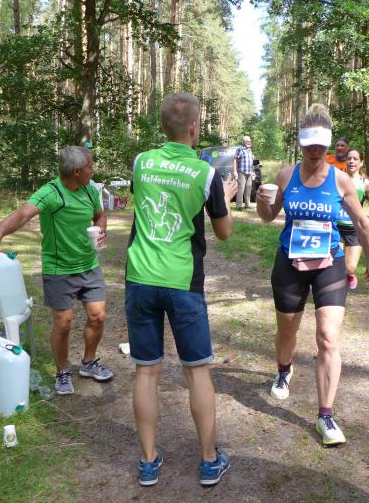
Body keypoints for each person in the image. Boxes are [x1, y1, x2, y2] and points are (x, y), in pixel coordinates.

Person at [126, 92, 238, 487]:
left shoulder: (141, 162)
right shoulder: (205, 174)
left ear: (162, 126)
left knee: (146, 372)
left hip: (140, 277)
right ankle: (208, 461)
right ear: (194, 127)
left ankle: (147, 462)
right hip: (183, 282)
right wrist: (226, 198)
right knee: (197, 371)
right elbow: (223, 233)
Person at [256, 103, 369, 445]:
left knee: (327, 337)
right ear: (301, 141)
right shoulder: (286, 175)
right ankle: (284, 371)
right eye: (309, 143)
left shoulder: (341, 180)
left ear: (327, 143)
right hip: (290, 263)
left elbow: (362, 222)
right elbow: (268, 216)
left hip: (330, 263)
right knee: (287, 331)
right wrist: (261, 200)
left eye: (320, 144)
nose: (314, 150)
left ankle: (326, 415)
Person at [0, 145, 113, 396]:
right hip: (59, 268)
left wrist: (101, 229)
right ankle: (62, 371)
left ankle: (88, 362)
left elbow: (99, 215)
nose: (92, 170)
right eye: (90, 166)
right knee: (63, 323)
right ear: (77, 171)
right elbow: (23, 214)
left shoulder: (89, 190)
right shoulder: (51, 193)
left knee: (98, 316)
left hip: (89, 265)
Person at [337, 148, 369, 289]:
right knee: (336, 263)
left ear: (361, 162)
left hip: (354, 229)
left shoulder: (365, 184)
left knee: (350, 267)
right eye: (349, 158)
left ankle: (350, 274)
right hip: (336, 227)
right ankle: (334, 288)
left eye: (355, 159)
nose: (351, 161)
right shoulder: (337, 179)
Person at [235, 135, 255, 210]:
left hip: (249, 173)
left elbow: (251, 162)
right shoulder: (240, 149)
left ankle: (247, 204)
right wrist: (235, 171)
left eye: (249, 141)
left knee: (248, 189)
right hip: (242, 172)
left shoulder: (250, 150)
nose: (249, 142)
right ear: (243, 142)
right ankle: (239, 205)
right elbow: (235, 159)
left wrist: (253, 171)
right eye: (247, 141)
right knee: (241, 189)